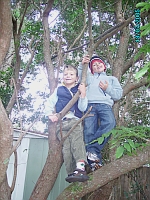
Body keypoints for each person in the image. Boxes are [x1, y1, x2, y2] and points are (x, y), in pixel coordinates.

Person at [44, 65, 89, 183]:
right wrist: (50, 115)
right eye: (65, 74)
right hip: (61, 123)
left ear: (77, 78)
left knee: (77, 142)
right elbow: (49, 103)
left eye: (71, 74)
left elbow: (83, 107)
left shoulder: (79, 89)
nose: (68, 76)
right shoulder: (59, 89)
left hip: (74, 120)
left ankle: (81, 167)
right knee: (66, 148)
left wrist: (83, 94)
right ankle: (72, 171)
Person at [78, 55, 123, 171]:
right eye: (94, 65)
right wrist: (82, 65)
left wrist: (107, 89)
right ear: (91, 69)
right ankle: (94, 163)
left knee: (110, 124)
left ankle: (92, 150)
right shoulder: (90, 78)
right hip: (90, 105)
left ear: (104, 67)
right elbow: (80, 78)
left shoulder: (111, 79)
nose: (97, 66)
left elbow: (118, 95)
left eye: (99, 64)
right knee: (89, 131)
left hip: (105, 105)